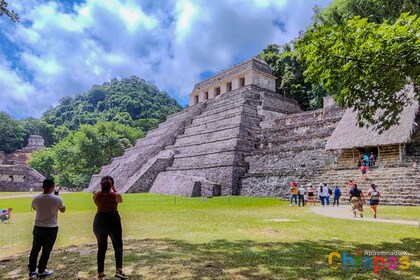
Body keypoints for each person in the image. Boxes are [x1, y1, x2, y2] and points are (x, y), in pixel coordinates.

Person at [28, 179, 66, 279]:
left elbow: (35, 208)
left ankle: (32, 270)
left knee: (35, 249)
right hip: (51, 228)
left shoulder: (36, 198)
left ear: (43, 187)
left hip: (38, 227)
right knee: (46, 250)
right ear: (53, 187)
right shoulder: (57, 199)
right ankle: (41, 270)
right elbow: (63, 210)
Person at [93, 176, 128, 279]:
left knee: (101, 247)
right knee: (118, 245)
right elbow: (120, 201)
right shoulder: (116, 195)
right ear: (112, 185)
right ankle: (119, 269)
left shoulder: (96, 195)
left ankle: (100, 272)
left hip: (100, 219)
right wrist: (114, 190)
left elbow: (96, 203)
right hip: (113, 219)